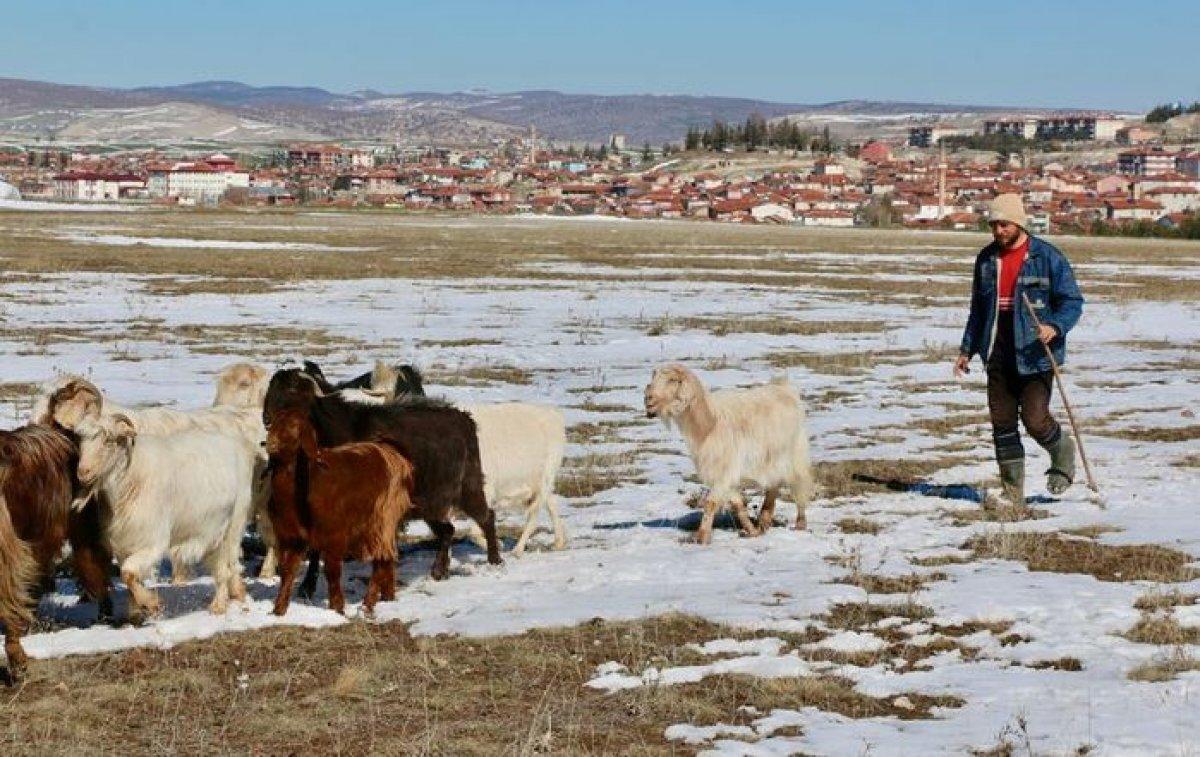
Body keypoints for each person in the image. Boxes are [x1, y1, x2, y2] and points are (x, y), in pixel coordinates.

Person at [954, 194, 1084, 506]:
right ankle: (1013, 493)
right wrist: (966, 349)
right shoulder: (986, 260)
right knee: (1002, 423)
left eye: (1004, 224)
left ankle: (1062, 451)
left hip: (1035, 353)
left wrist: (1054, 326)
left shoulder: (1047, 257)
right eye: (994, 224)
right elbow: (978, 310)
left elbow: (1072, 302)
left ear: (1019, 223)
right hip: (997, 352)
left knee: (1036, 419)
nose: (998, 230)